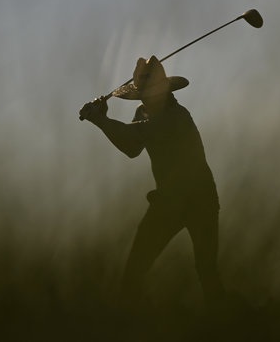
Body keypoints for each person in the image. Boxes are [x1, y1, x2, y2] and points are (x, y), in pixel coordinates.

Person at [79, 56, 224, 305]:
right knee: (136, 269)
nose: (147, 98)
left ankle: (222, 320)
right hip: (169, 201)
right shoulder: (144, 113)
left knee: (206, 268)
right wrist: (103, 120)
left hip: (200, 199)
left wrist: (101, 120)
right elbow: (132, 147)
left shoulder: (176, 118)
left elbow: (134, 136)